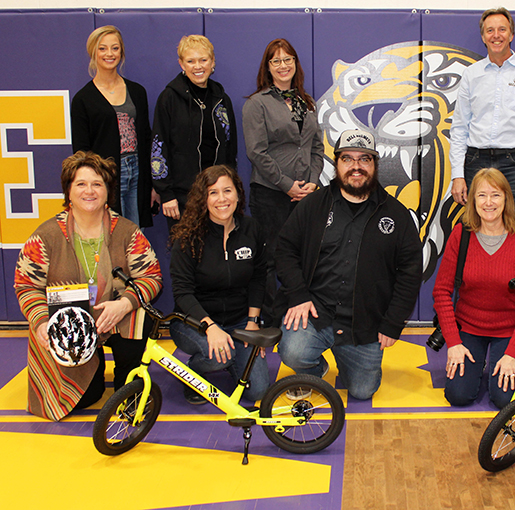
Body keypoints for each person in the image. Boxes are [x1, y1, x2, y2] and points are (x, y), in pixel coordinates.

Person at [14, 151, 163, 421]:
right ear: (68, 192)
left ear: (107, 191)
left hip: (115, 316)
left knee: (138, 313)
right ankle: (88, 370)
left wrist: (124, 303)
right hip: (70, 321)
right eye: (81, 184)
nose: (89, 191)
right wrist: (41, 323)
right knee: (85, 397)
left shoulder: (128, 231)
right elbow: (26, 285)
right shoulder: (45, 236)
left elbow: (151, 276)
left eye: (97, 184)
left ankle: (128, 379)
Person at [275, 129, 422, 400]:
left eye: (364, 159)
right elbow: (285, 249)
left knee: (363, 391)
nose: (356, 166)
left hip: (365, 321)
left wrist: (392, 323)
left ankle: (348, 359)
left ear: (375, 164)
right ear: (336, 164)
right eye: (348, 159)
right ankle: (314, 370)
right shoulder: (313, 206)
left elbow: (411, 272)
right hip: (316, 313)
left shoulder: (396, 215)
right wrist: (298, 295)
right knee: (293, 352)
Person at [433, 168, 515, 409]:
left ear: (506, 199)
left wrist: (512, 353)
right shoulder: (461, 235)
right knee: (458, 396)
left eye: (495, 195)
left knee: (505, 400)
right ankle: (476, 360)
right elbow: (441, 292)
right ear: (472, 201)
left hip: (508, 330)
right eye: (481, 195)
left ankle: (505, 359)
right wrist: (454, 343)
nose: (488, 202)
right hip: (469, 327)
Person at [169, 165, 269, 404]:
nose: (222, 199)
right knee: (220, 357)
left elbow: (258, 278)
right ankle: (193, 371)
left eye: (227, 190)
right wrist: (210, 327)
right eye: (213, 192)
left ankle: (229, 351)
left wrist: (253, 324)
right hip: (193, 322)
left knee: (259, 392)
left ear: (238, 194)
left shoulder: (252, 229)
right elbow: (182, 292)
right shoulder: (188, 237)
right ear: (203, 198)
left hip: (239, 321)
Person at [449, 7, 515, 238]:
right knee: (475, 234)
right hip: (475, 162)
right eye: (490, 30)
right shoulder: (471, 75)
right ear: (483, 36)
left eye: (502, 29)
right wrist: (457, 175)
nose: (496, 35)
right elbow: (459, 129)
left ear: (511, 34)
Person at [243, 38, 324, 326]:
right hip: (271, 194)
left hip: (306, 194)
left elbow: (317, 148)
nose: (283, 65)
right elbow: (256, 152)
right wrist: (287, 184)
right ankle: (268, 322)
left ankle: (294, 317)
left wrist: (312, 183)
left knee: (301, 258)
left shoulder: (306, 102)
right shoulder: (257, 104)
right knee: (271, 260)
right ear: (267, 67)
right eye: (276, 60)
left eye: (288, 59)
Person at [71, 25, 155, 227]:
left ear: (121, 52)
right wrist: (92, 185)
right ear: (93, 52)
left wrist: (153, 185)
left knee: (136, 235)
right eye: (102, 48)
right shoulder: (83, 99)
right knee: (109, 234)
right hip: (105, 176)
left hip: (137, 172)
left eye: (115, 48)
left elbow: (146, 138)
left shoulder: (137, 91)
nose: (109, 54)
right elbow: (81, 151)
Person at [151, 35, 237, 230]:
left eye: (203, 60)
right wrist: (166, 193)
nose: (198, 66)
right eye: (191, 61)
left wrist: (231, 190)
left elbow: (230, 149)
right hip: (182, 197)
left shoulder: (221, 99)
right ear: (182, 64)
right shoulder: (169, 98)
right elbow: (158, 146)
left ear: (212, 62)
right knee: (186, 254)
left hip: (218, 197)